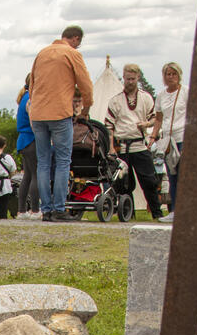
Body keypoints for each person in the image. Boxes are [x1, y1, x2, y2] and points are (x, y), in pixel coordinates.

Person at [28, 25, 93, 222]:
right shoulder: (71, 54)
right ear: (75, 39)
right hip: (59, 113)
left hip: (38, 114)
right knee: (63, 161)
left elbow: (32, 85)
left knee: (43, 162)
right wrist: (85, 109)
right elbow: (86, 85)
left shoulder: (42, 53)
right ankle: (58, 208)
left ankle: (45, 209)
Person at [105, 64, 163, 220]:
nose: (129, 82)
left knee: (149, 181)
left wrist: (147, 125)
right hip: (122, 147)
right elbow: (108, 127)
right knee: (124, 184)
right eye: (127, 78)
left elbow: (154, 118)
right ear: (123, 78)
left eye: (132, 79)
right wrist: (111, 147)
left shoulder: (145, 98)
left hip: (139, 145)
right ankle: (127, 213)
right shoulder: (115, 101)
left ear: (137, 78)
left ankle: (156, 213)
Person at [151, 61, 186, 220]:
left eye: (173, 74)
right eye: (167, 74)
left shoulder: (186, 92)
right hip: (168, 139)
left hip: (183, 136)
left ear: (179, 76)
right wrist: (153, 136)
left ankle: (187, 210)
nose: (170, 77)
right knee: (172, 175)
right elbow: (158, 118)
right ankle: (175, 210)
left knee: (184, 174)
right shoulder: (161, 96)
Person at [13, 75, 39, 218]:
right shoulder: (31, 99)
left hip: (23, 140)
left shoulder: (24, 97)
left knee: (27, 176)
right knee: (36, 175)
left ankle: (21, 210)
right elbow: (33, 121)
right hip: (31, 138)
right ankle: (35, 210)